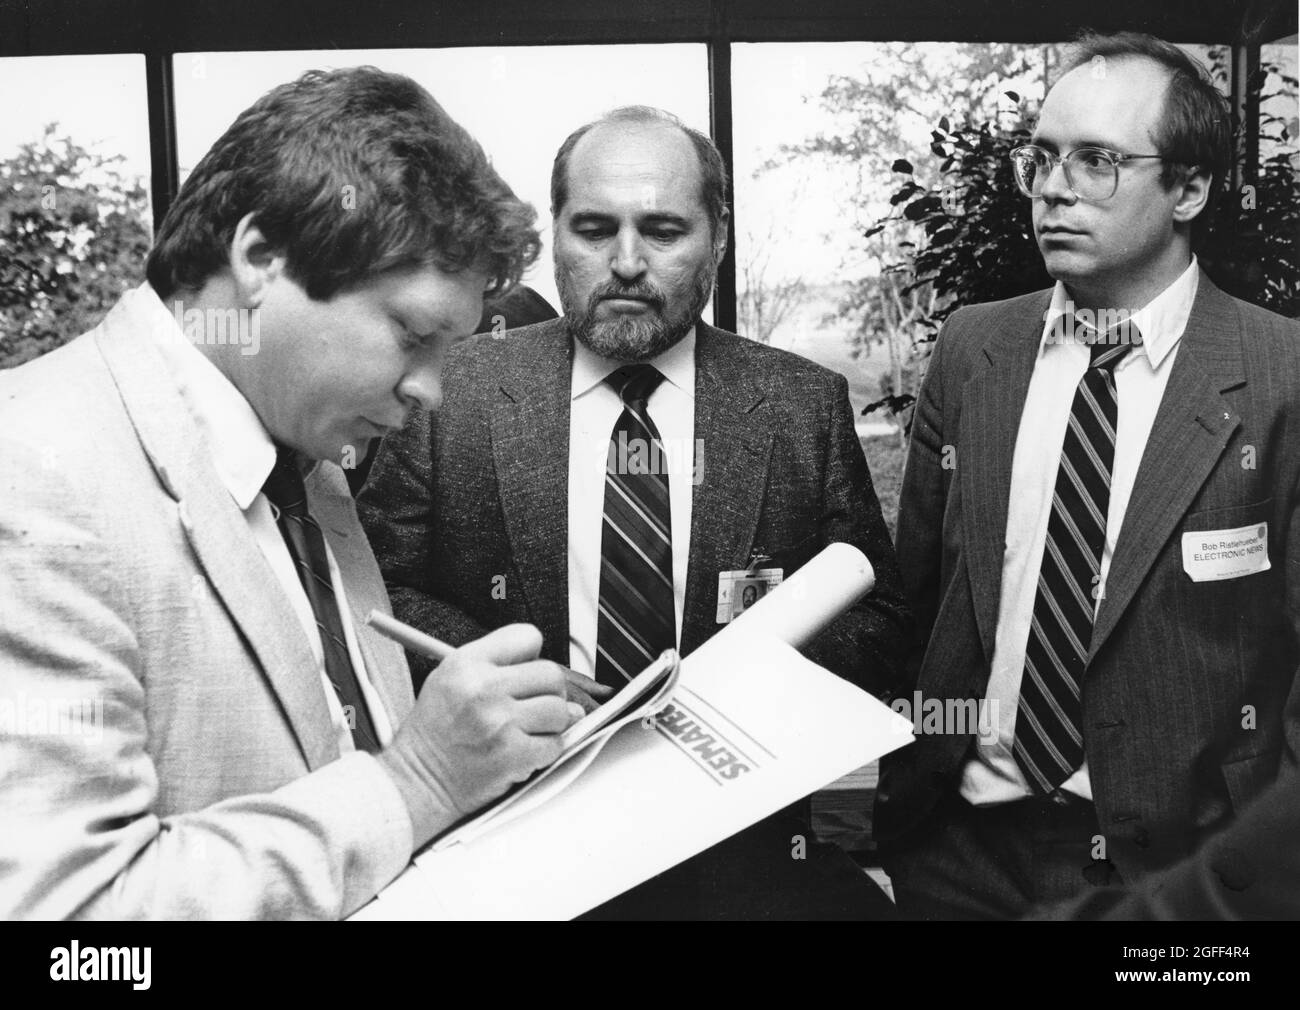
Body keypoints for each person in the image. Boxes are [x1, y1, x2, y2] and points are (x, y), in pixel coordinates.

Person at [0, 67, 581, 920]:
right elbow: (71, 931)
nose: (432, 392)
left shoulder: (307, 463)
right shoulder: (32, 469)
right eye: (412, 335)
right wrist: (418, 782)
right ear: (262, 258)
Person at [358, 105, 912, 918]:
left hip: (736, 850)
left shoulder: (800, 405)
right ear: (554, 236)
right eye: (592, 229)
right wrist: (528, 687)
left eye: (662, 229)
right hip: (508, 843)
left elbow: (883, 618)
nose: (624, 262)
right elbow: (377, 594)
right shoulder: (453, 396)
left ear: (718, 240)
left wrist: (734, 691)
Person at [876, 31, 1300, 919]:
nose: (1054, 188)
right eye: (1043, 158)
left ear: (1188, 187)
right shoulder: (973, 348)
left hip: (1178, 870)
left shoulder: (1280, 375)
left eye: (1098, 161)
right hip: (959, 854)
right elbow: (920, 596)